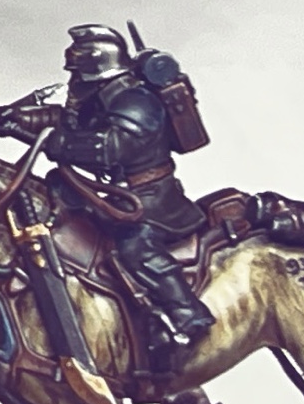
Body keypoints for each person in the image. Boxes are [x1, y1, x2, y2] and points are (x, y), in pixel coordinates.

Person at [44, 23, 215, 348]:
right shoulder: (103, 97)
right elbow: (69, 122)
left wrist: (57, 143)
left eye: (77, 70)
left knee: (136, 246)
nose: (73, 79)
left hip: (152, 201)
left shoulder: (136, 100)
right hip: (118, 194)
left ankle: (187, 314)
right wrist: (17, 120)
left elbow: (109, 148)